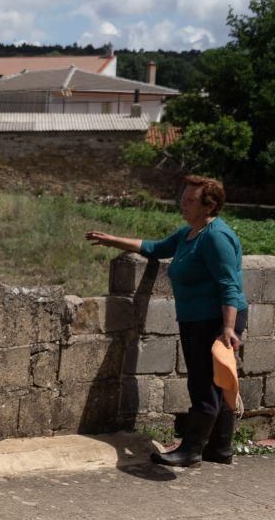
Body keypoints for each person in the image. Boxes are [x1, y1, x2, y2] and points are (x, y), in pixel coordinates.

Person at [86, 175, 248, 468]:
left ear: (208, 205)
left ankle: (191, 450)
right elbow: (156, 247)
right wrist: (112, 240)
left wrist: (227, 329)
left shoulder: (215, 237)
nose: (182, 204)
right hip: (198, 318)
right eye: (182, 198)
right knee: (219, 381)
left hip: (215, 319)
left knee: (203, 384)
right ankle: (220, 448)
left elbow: (229, 286)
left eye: (189, 200)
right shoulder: (191, 233)